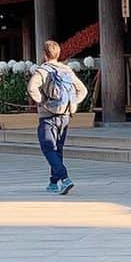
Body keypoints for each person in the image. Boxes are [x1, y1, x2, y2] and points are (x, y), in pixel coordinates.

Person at [27, 40, 87, 194]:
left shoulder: (43, 70)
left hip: (48, 116)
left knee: (47, 147)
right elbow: (83, 90)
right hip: (65, 115)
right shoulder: (67, 70)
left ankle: (65, 178)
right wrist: (72, 103)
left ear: (44, 54)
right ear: (58, 54)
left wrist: (43, 102)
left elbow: (31, 88)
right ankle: (53, 182)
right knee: (57, 149)